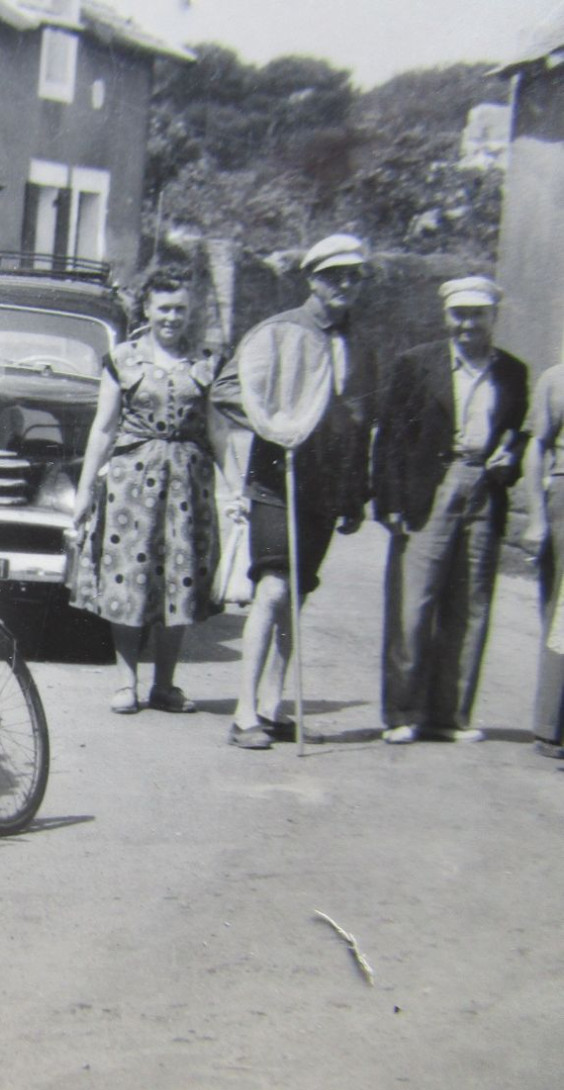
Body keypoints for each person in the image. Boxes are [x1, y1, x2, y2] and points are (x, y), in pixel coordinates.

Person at [212, 234, 378, 750]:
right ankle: (243, 715)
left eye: (353, 276)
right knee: (274, 588)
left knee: (296, 598)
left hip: (327, 488)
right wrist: (276, 422)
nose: (345, 284)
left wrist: (354, 495)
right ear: (313, 279)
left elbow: (359, 423)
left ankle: (272, 707)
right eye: (334, 275)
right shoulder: (278, 331)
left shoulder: (362, 346)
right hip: (275, 477)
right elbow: (226, 390)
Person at [371, 277, 528, 744]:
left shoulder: (513, 372)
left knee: (469, 604)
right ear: (446, 316)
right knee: (413, 603)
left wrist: (510, 456)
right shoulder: (416, 365)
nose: (468, 324)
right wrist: (391, 502)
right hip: (431, 488)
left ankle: (449, 715)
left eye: (478, 314)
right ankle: (402, 713)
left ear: (493, 318)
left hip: (484, 486)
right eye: (459, 313)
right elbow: (391, 438)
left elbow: (516, 433)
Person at [67, 266, 221, 714]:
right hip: (131, 483)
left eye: (181, 309)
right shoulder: (124, 359)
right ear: (148, 309)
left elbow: (218, 430)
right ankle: (127, 682)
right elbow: (104, 427)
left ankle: (165, 685)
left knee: (180, 578)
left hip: (189, 485)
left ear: (191, 313)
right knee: (128, 578)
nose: (172, 317)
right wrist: (82, 495)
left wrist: (234, 495)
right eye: (165, 308)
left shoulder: (207, 363)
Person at [524, 363, 564, 757]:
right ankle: (551, 728)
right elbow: (538, 447)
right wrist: (537, 517)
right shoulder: (556, 379)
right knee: (562, 614)